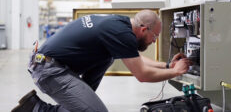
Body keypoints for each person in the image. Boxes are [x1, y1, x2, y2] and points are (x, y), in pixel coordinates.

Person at [12, 9, 190, 112]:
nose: (154, 40)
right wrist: (175, 71)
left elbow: (136, 59)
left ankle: (32, 107)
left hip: (50, 65)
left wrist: (167, 65)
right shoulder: (121, 33)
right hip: (50, 69)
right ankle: (36, 109)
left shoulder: (119, 27)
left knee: (108, 57)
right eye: (155, 36)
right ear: (144, 29)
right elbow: (142, 74)